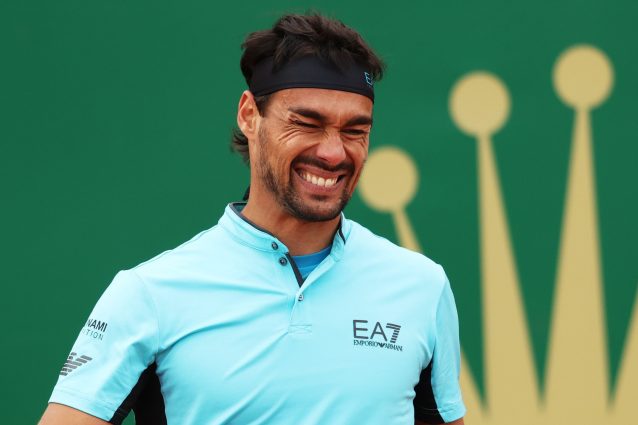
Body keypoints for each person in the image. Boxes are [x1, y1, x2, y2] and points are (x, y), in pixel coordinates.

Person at [39, 13, 465, 425]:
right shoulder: (148, 294)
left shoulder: (422, 287)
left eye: (355, 131)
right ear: (249, 115)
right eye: (306, 123)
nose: (334, 152)